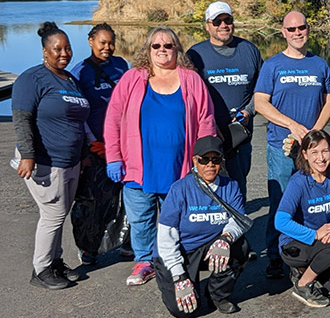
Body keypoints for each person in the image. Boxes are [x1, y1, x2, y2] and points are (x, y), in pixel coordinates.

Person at [104, 26, 216, 286]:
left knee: (175, 217)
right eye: (157, 46)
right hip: (138, 166)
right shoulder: (133, 78)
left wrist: (204, 160)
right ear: (148, 49)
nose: (163, 50)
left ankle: (170, 259)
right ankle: (145, 261)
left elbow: (206, 121)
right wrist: (113, 157)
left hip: (179, 166)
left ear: (177, 49)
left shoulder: (191, 79)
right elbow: (113, 120)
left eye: (168, 46)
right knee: (141, 218)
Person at [254, 11, 330, 279]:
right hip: (282, 145)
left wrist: (315, 131)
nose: (297, 33)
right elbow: (260, 103)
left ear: (308, 29)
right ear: (283, 32)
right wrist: (292, 125)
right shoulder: (273, 65)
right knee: (282, 202)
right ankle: (277, 257)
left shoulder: (320, 64)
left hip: (311, 148)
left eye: (301, 27)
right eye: (291, 29)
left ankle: (307, 254)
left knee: (310, 202)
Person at [11, 21, 90, 289]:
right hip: (46, 161)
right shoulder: (32, 79)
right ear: (45, 51)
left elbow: (79, 122)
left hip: (71, 161)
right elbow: (22, 118)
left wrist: (84, 153)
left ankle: (55, 262)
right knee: (53, 215)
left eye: (67, 48)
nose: (64, 53)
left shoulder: (70, 80)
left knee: (60, 213)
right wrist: (28, 155)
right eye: (57, 49)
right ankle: (41, 269)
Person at [154, 135, 249, 316]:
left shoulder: (231, 186)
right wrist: (179, 276)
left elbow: (239, 220)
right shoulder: (179, 189)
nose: (210, 165)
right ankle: (186, 279)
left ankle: (217, 295)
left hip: (210, 246)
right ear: (195, 161)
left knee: (240, 247)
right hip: (179, 252)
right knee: (184, 312)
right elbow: (166, 235)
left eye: (216, 159)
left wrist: (225, 238)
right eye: (204, 159)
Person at [187, 1, 262, 199]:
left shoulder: (249, 50)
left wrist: (249, 111)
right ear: (207, 25)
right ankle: (209, 228)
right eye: (217, 21)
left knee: (238, 183)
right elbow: (188, 96)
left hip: (241, 134)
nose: (223, 25)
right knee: (207, 185)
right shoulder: (195, 54)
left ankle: (239, 227)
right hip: (208, 135)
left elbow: (262, 89)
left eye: (227, 20)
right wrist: (208, 123)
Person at [70, 22, 129, 265]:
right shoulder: (79, 72)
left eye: (111, 42)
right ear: (91, 41)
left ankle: (127, 243)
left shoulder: (121, 66)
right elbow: (76, 112)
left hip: (123, 142)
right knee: (93, 199)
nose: (107, 47)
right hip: (94, 145)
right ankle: (89, 247)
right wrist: (92, 143)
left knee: (127, 197)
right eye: (102, 42)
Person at [275, 130, 330, 307]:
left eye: (325, 151)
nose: (321, 158)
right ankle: (303, 283)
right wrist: (315, 234)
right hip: (298, 243)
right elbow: (280, 221)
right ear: (305, 154)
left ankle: (310, 270)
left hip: (325, 242)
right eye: (314, 152)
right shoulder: (299, 181)